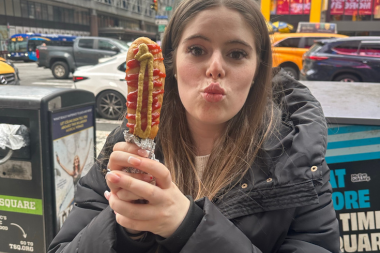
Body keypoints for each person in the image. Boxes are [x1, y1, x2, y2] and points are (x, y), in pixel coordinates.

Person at [49, 0, 340, 252]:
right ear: (172, 61)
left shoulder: (297, 160)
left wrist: (188, 226)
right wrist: (124, 227)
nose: (215, 67)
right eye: (197, 50)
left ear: (257, 68)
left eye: (236, 53)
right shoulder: (121, 151)